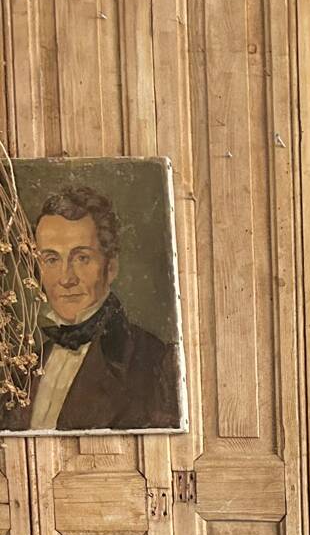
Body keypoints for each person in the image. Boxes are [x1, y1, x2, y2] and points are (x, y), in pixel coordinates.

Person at [1, 183, 180, 432]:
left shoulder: (155, 362)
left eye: (82, 258)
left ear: (111, 267)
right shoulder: (25, 369)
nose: (66, 278)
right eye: (51, 259)